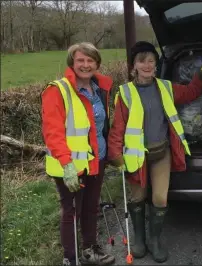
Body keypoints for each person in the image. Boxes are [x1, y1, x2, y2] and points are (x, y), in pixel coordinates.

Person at [107, 41, 202, 263]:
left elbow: (191, 92)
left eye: (151, 61)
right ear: (134, 66)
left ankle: (155, 240)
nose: (147, 65)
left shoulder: (166, 87)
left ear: (156, 65)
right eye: (142, 61)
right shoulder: (125, 93)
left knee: (159, 198)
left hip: (161, 153)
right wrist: (115, 155)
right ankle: (139, 238)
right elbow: (117, 127)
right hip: (135, 155)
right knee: (137, 197)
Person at [41, 42, 115, 266]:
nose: (85, 65)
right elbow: (52, 132)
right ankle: (70, 258)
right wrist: (66, 164)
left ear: (97, 63)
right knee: (71, 211)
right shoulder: (58, 90)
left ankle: (90, 249)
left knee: (91, 207)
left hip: (96, 160)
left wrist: (111, 153)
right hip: (70, 165)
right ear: (72, 63)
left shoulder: (99, 89)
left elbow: (100, 127)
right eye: (80, 60)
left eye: (90, 60)